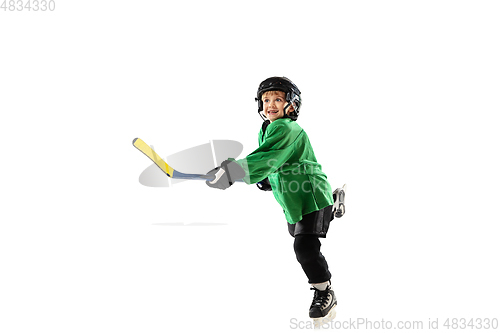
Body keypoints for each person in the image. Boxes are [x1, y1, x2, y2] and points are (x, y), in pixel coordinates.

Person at [205, 77, 343, 321]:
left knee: (305, 247)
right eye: (266, 99)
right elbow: (276, 161)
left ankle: (325, 292)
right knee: (300, 237)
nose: (271, 104)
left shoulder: (287, 128)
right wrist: (264, 179)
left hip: (311, 195)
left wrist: (233, 171)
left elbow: (267, 157)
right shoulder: (268, 129)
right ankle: (334, 204)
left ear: (292, 105)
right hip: (293, 197)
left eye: (278, 99)